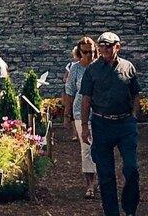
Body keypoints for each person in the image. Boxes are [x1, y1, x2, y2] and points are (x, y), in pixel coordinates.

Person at [79, 32, 140, 216]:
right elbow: (86, 99)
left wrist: (134, 115)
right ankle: (111, 212)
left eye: (108, 46)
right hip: (102, 124)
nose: (104, 49)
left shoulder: (128, 67)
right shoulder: (92, 70)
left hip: (125, 125)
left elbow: (135, 93)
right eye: (101, 46)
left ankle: (129, 209)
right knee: (106, 174)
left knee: (131, 168)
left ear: (117, 47)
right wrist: (83, 126)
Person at [65, 37, 99, 198]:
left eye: (91, 52)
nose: (89, 55)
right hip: (80, 113)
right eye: (85, 52)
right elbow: (70, 91)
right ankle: (90, 184)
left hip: (100, 113)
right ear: (79, 52)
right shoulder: (76, 69)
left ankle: (99, 177)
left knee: (100, 147)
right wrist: (67, 114)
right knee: (86, 148)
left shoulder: (101, 66)